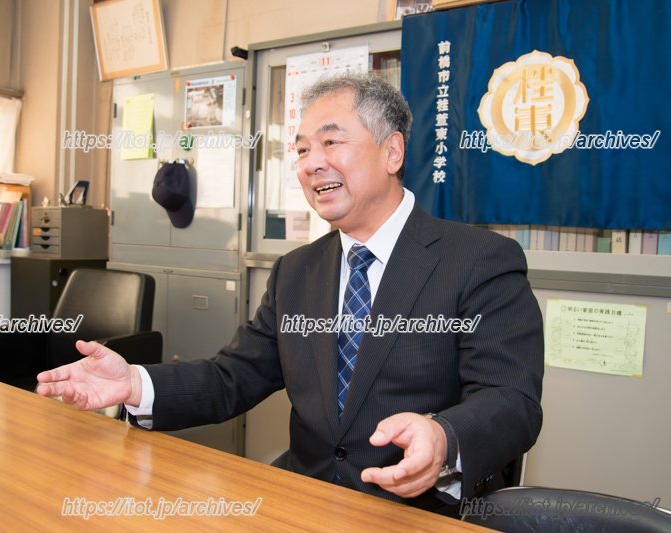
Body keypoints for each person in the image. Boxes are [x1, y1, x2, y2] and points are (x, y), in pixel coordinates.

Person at [37, 73, 544, 517]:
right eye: (302, 150)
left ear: (392, 152)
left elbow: (511, 399)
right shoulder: (296, 272)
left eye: (330, 143)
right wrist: (134, 383)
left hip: (417, 512)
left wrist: (444, 438)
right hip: (302, 502)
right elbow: (232, 376)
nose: (311, 164)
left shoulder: (477, 260)